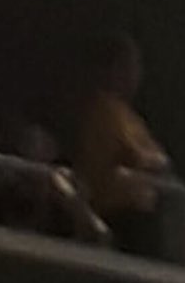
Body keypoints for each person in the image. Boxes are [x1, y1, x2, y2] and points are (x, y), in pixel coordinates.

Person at [74, 32, 172, 256]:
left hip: (145, 212)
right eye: (130, 65)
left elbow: (161, 159)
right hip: (119, 213)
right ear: (113, 69)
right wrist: (150, 162)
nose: (137, 73)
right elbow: (131, 156)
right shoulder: (103, 110)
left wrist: (154, 162)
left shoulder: (131, 117)